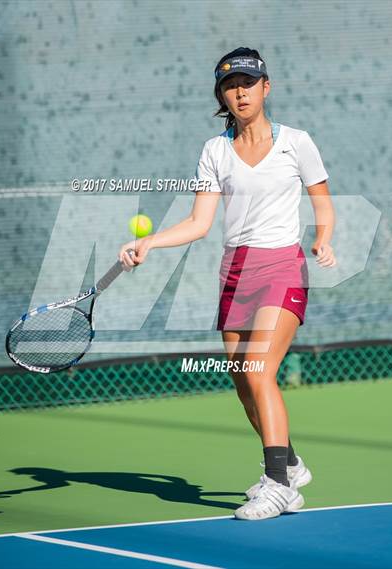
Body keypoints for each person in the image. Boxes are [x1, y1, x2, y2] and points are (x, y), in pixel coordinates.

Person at [119, 46, 336, 521]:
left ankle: (278, 484)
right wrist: (151, 243)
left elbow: (322, 198)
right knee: (243, 382)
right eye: (229, 85)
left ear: (266, 87)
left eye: (247, 83)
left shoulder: (296, 142)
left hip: (282, 267)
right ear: (222, 93)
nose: (239, 91)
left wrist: (323, 239)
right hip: (235, 273)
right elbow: (199, 222)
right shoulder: (215, 150)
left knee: (259, 371)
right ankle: (291, 462)